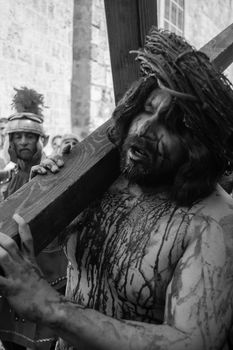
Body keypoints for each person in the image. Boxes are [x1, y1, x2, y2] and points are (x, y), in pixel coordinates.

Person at [0, 27, 233, 350]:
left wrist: (50, 307)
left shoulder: (214, 221)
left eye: (171, 126)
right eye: (147, 110)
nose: (145, 129)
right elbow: (57, 245)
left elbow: (189, 342)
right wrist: (47, 191)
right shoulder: (104, 176)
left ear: (198, 146)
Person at [0, 87, 67, 350]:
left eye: (30, 136)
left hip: (47, 269)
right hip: (12, 270)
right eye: (18, 137)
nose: (24, 142)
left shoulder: (51, 169)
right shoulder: (9, 175)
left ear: (42, 139)